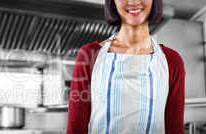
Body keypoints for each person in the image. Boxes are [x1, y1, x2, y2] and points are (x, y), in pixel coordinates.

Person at [66, 0, 185, 133]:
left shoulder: (172, 60)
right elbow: (76, 127)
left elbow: (175, 128)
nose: (133, 1)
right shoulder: (89, 55)